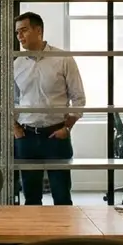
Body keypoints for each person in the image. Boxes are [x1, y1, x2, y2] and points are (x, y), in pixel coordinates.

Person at [11, 11, 85, 205]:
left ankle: (64, 235)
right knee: (31, 198)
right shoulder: (16, 64)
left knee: (61, 196)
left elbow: (78, 99)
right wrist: (15, 129)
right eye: (17, 32)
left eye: (24, 30)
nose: (19, 36)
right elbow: (9, 101)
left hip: (56, 135)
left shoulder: (63, 59)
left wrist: (67, 128)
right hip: (26, 137)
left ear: (39, 31)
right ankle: (34, 235)